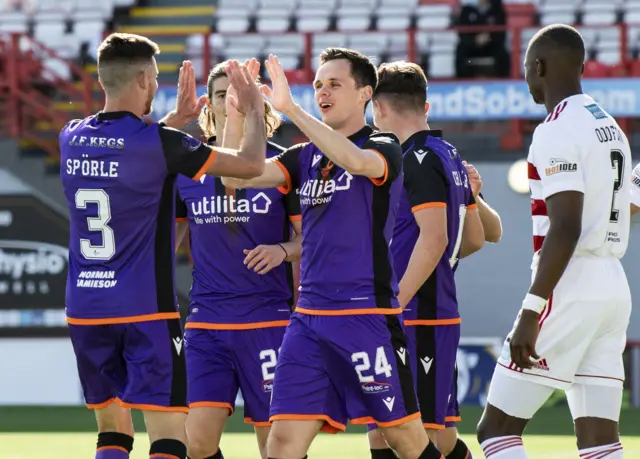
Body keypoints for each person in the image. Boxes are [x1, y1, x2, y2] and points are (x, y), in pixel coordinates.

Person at [222, 50, 443, 459]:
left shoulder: (384, 145)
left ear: (365, 94)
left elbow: (356, 161)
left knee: (405, 440)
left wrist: (291, 110)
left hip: (366, 318)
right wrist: (242, 115)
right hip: (308, 321)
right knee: (282, 444)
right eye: (319, 85)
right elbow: (236, 176)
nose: (323, 92)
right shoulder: (301, 156)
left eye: (334, 84)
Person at [59, 33, 267, 459]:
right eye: (153, 78)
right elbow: (248, 166)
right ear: (141, 80)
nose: (155, 85)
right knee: (170, 434)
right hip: (144, 309)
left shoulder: (70, 137)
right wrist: (255, 109)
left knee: (112, 432)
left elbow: (124, 149)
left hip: (84, 308)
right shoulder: (162, 144)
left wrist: (171, 121)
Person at [477, 24, 632, 458]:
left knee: (496, 430)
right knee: (600, 440)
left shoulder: (555, 129)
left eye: (527, 68)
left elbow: (565, 227)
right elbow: (625, 205)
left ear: (538, 67)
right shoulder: (610, 127)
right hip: (613, 288)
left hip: (570, 283)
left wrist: (531, 309)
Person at [168, 59, 302, 459]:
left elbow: (313, 240)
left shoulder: (283, 165)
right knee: (195, 442)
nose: (232, 104)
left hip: (270, 322)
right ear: (210, 104)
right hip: (206, 324)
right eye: (223, 96)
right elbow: (167, 244)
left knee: (275, 446)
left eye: (240, 95)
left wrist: (283, 250)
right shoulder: (187, 171)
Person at [366, 61, 486, 459]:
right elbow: (475, 238)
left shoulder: (415, 159)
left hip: (418, 315)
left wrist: (394, 302)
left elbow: (436, 239)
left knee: (421, 437)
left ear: (378, 109)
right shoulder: (447, 154)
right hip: (420, 311)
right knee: (389, 433)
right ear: (426, 106)